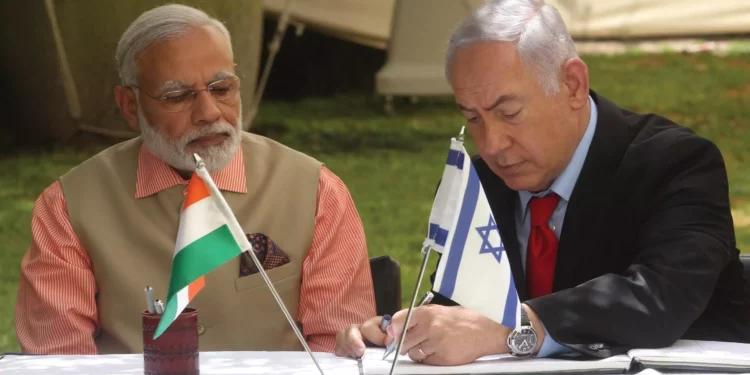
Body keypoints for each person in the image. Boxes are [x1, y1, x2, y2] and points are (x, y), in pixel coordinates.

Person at [335, 0, 750, 365]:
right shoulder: (480, 180)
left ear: (572, 84)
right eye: (472, 117)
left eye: (509, 112)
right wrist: (404, 331)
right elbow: (462, 308)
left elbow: (661, 297)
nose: (493, 144)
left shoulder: (675, 163)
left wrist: (514, 332)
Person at [15, 4, 376, 354]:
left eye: (222, 89)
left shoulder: (315, 192)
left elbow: (340, 351)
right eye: (177, 96)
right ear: (129, 106)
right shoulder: (68, 206)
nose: (208, 113)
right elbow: (59, 360)